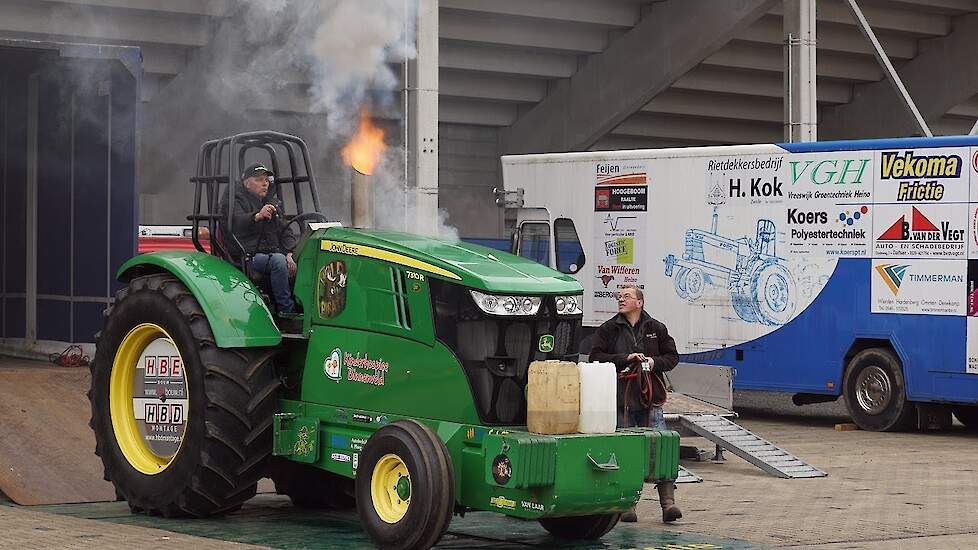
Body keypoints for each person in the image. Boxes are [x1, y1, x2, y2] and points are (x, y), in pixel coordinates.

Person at [589, 284, 682, 524]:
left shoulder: (656, 328)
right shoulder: (609, 329)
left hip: (650, 402)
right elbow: (595, 357)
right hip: (622, 402)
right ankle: (628, 505)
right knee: (627, 452)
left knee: (661, 450)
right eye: (619, 297)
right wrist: (624, 359)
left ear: (639, 302)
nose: (621, 299)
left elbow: (672, 358)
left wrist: (652, 362)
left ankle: (668, 504)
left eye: (626, 296)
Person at [220, 162, 298, 314]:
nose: (265, 184)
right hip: (248, 256)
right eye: (259, 180)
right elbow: (236, 222)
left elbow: (285, 229)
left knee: (304, 256)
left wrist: (290, 252)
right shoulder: (234, 201)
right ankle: (287, 311)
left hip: (271, 252)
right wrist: (256, 216)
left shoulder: (271, 203)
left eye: (267, 180)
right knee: (277, 261)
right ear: (247, 183)